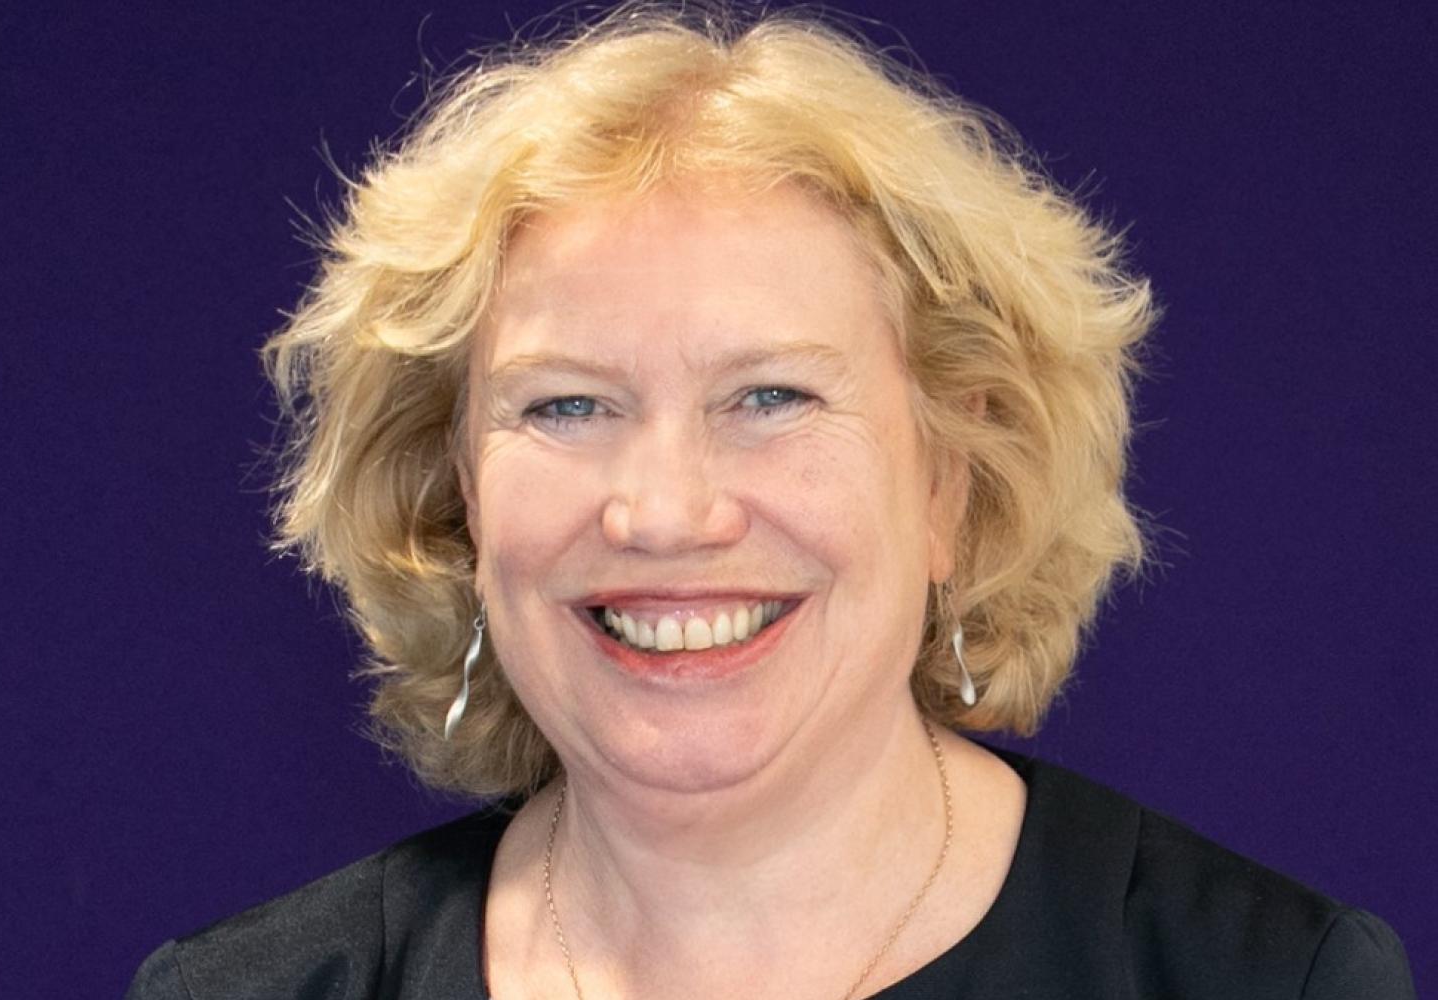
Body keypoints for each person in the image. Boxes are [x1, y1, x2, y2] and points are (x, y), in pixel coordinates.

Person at [127, 6, 1413, 998]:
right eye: (567, 405)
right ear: (455, 496)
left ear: (949, 484)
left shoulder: (1262, 979)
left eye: (772, 397)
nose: (667, 511)